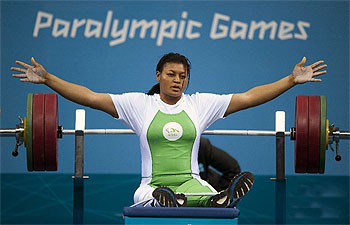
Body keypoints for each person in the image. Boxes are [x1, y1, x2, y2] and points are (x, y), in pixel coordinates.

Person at [11, 53, 327, 208]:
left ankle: (219, 198)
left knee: (211, 198)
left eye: (184, 76)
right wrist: (49, 79)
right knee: (151, 198)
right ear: (159, 74)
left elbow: (247, 97)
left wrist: (290, 80)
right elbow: (91, 97)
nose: (178, 80)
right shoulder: (139, 105)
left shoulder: (199, 105)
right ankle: (170, 200)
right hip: (152, 185)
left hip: (192, 182)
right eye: (172, 74)